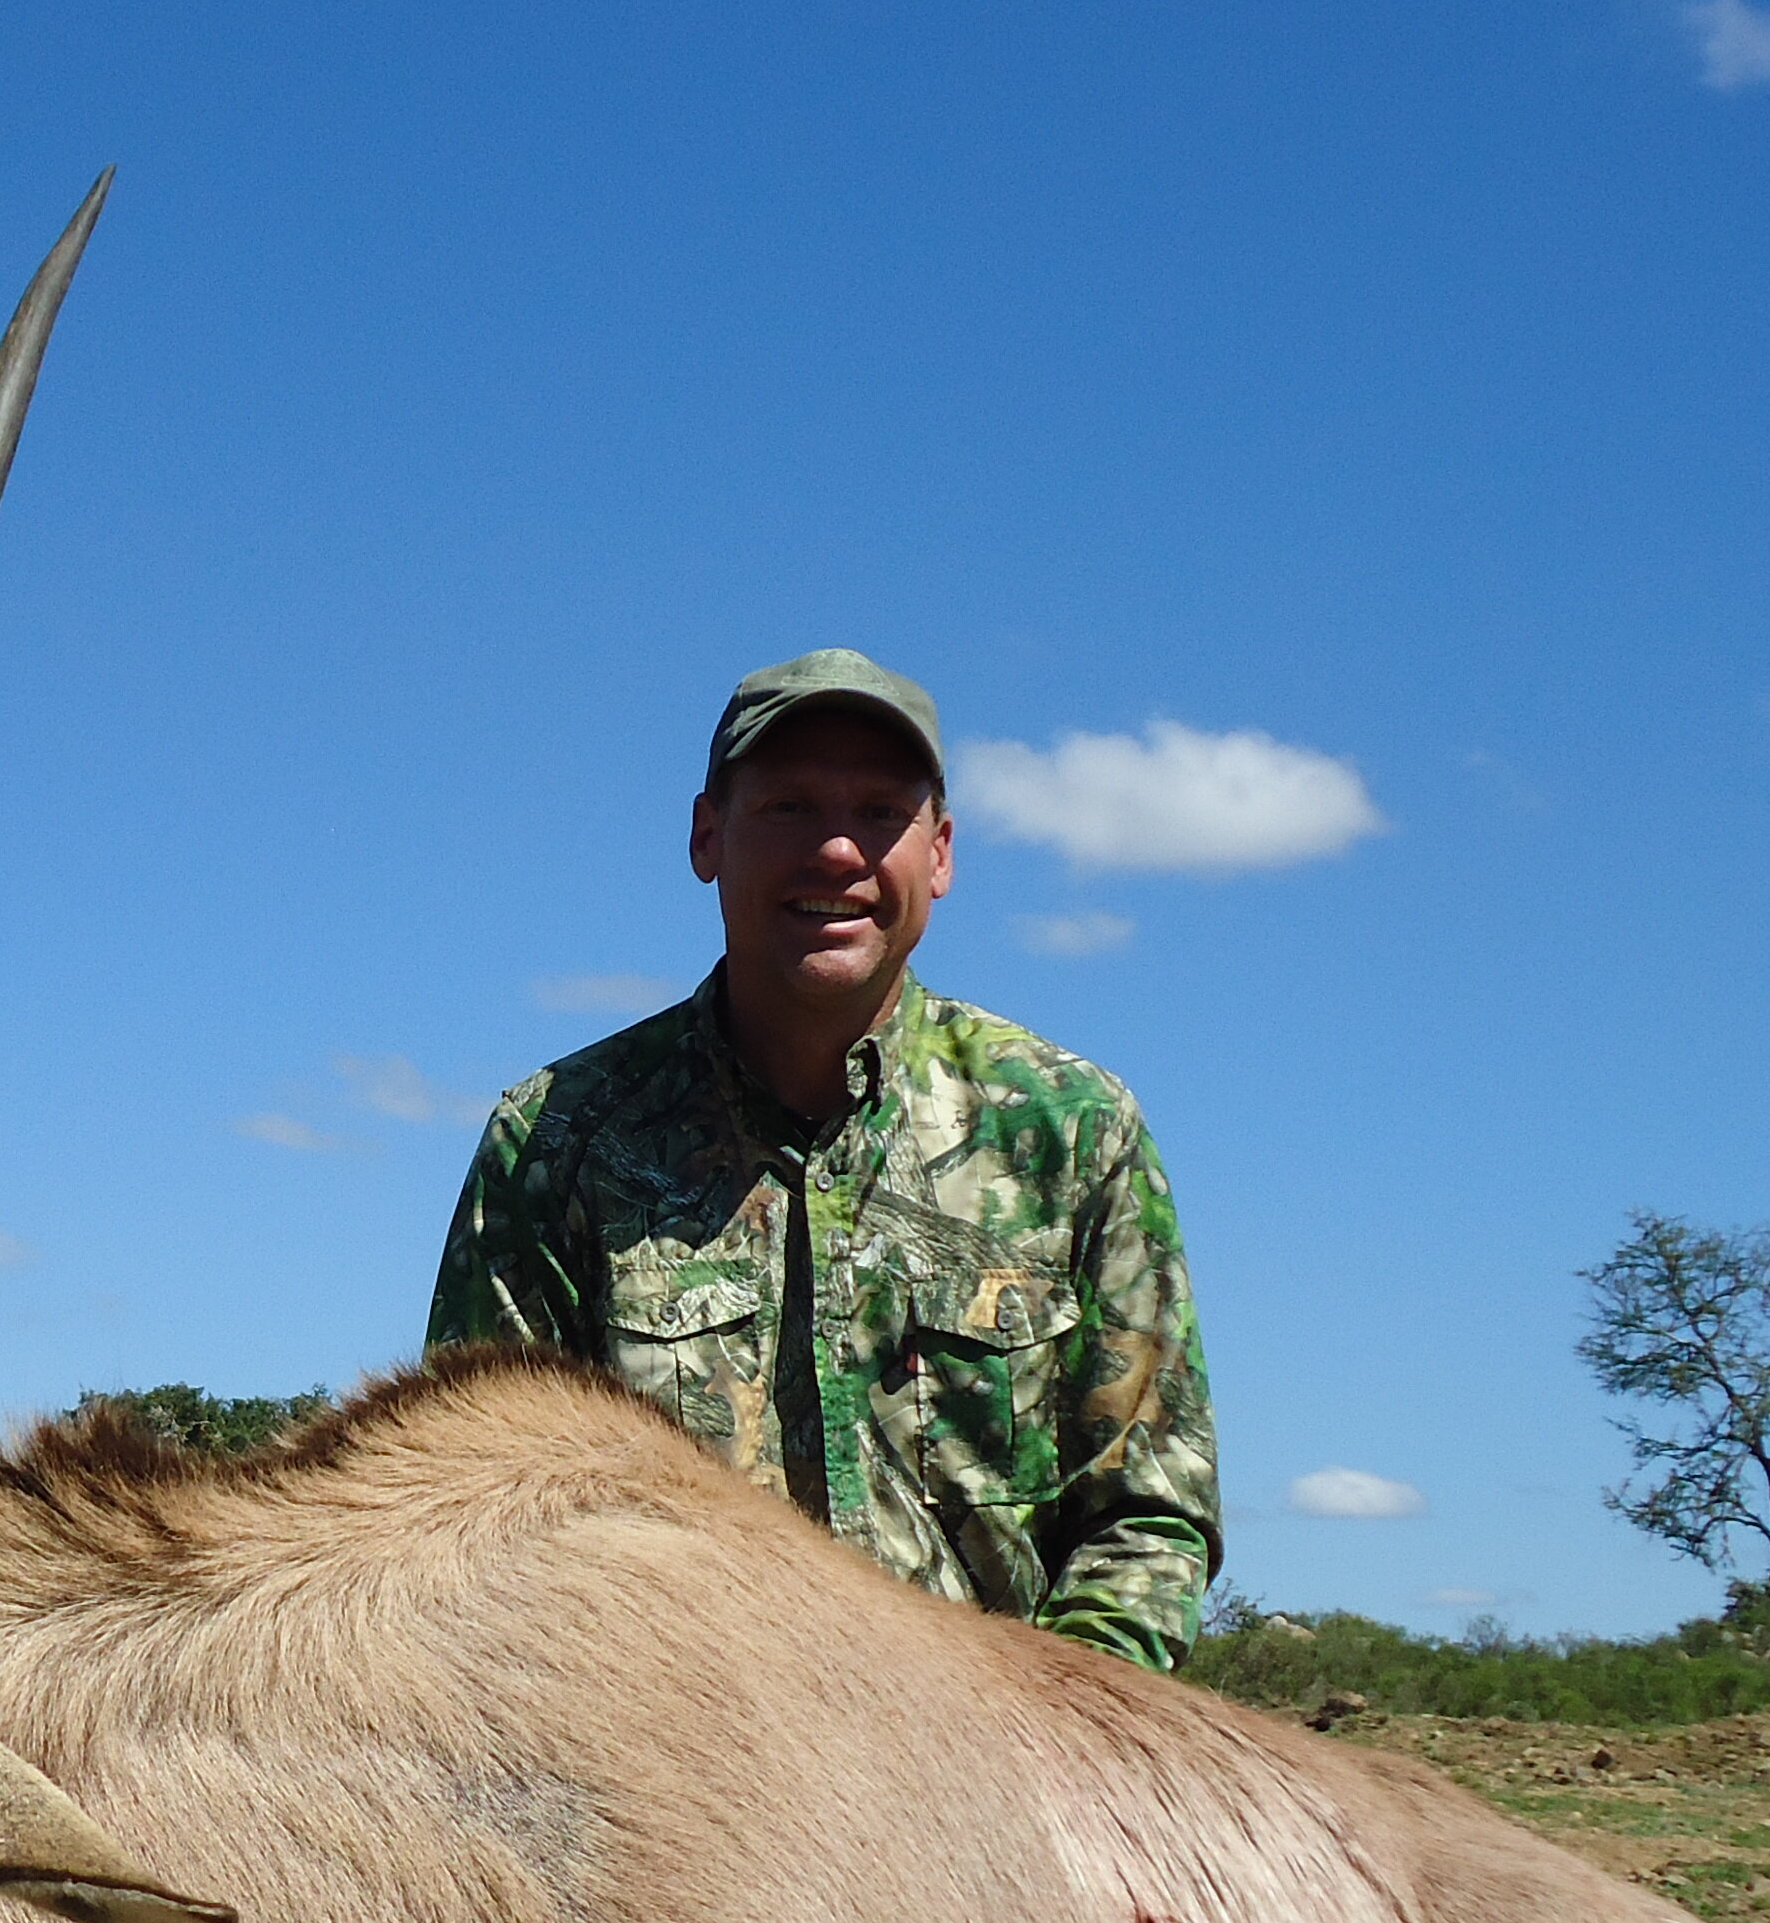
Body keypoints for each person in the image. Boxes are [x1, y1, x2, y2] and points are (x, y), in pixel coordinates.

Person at [427, 647, 1220, 1670]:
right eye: (789, 807)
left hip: (1005, 1784)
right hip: (674, 1783)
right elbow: (478, 1521)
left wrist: (1048, 1756)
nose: (838, 850)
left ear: (939, 853)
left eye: (881, 811)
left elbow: (1150, 1520)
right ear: (709, 836)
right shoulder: (556, 1140)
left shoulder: (1070, 1128)